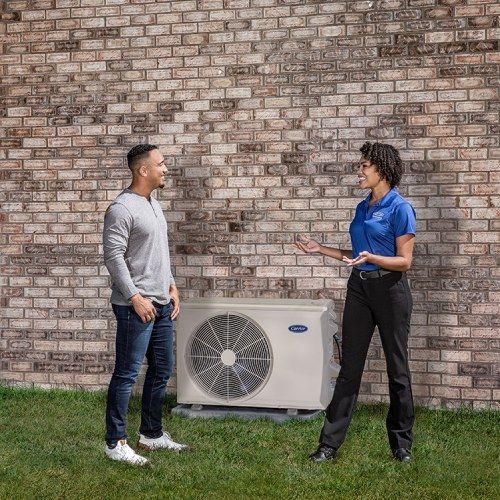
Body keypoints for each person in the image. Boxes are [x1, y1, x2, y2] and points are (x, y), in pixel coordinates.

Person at [295, 141, 416, 463]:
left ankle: (401, 445)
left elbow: (405, 261)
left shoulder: (400, 207)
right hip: (359, 289)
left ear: (383, 170)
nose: (358, 171)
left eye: (364, 166)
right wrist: (320, 249)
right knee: (350, 369)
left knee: (397, 370)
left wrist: (374, 257)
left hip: (391, 291)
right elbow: (355, 257)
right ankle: (328, 446)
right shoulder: (363, 207)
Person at [102, 144, 187, 465]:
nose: (166, 168)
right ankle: (115, 442)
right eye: (161, 164)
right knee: (126, 374)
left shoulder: (154, 203)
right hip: (134, 307)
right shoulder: (121, 209)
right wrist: (135, 297)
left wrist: (172, 285)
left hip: (162, 303)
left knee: (162, 369)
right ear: (144, 170)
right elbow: (113, 257)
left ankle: (151, 434)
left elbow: (157, 252)